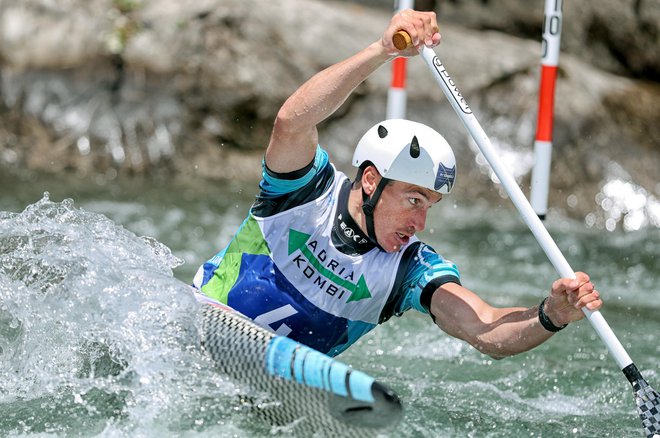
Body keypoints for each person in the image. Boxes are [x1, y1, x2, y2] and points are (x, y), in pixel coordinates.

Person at [192, 9, 602, 358]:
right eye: (413, 199)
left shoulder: (409, 269)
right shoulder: (305, 192)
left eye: (429, 205)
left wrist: (552, 314)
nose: (420, 222)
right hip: (198, 328)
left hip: (278, 385)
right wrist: (382, 50)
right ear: (370, 180)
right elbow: (292, 123)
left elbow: (485, 329)